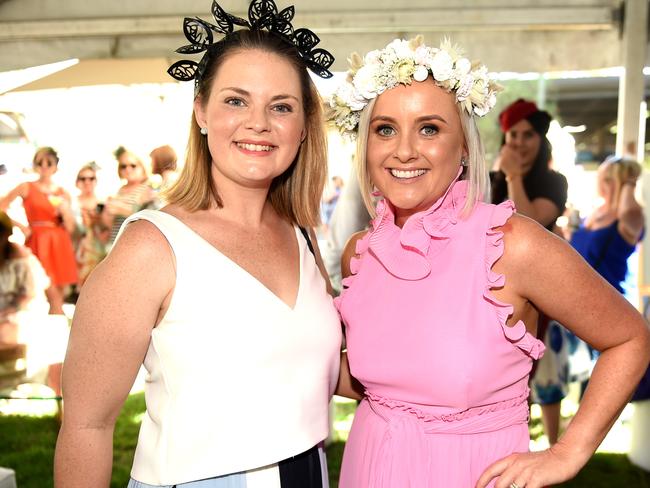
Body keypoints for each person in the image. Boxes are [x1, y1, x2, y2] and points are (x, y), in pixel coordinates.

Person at [328, 36, 650, 487]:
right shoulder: (360, 253)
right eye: (385, 129)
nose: (403, 150)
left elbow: (629, 337)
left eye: (429, 128)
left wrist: (567, 452)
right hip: (369, 467)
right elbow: (374, 379)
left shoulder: (511, 245)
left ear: (463, 147)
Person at [54, 1, 341, 487]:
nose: (259, 122)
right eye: (235, 100)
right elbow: (87, 425)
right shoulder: (151, 247)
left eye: (281, 106)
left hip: (309, 473)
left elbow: (327, 368)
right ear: (201, 111)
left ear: (303, 125)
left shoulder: (302, 234)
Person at [491, 99, 570, 445]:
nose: (520, 143)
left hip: (540, 295)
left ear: (541, 139)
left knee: (531, 372)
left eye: (528, 135)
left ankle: (536, 446)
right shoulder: (488, 179)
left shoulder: (554, 182)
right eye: (513, 135)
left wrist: (513, 177)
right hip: (494, 290)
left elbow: (530, 224)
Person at [0, 147, 77, 315]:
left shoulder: (63, 193)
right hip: (38, 240)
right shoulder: (26, 187)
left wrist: (66, 212)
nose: (44, 166)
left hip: (60, 242)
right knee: (51, 295)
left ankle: (58, 329)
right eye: (39, 162)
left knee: (59, 296)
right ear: (35, 165)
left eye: (49, 162)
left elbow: (71, 228)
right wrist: (21, 226)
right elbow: (1, 207)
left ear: (56, 166)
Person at [102, 147, 155, 250]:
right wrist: (107, 213)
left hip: (137, 244)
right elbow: (110, 225)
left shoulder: (148, 187)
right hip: (116, 243)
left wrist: (120, 209)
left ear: (142, 166)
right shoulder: (120, 190)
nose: (128, 169)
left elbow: (150, 217)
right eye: (123, 166)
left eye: (133, 165)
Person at [73, 163, 108, 287]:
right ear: (77, 182)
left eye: (91, 178)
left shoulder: (103, 202)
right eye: (83, 178)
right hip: (76, 249)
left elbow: (107, 230)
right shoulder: (72, 202)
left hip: (97, 250)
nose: (87, 182)